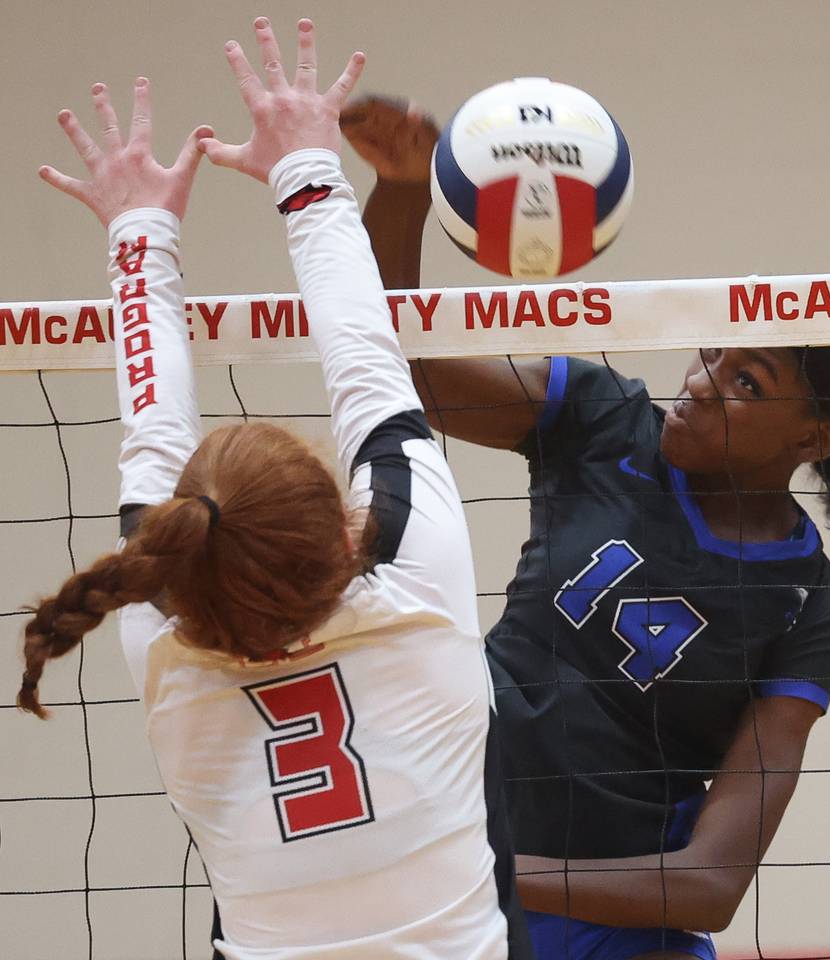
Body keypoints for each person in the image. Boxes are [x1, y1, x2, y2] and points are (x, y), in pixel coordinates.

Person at [342, 95, 830, 960]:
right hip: (453, 914)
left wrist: (494, 868)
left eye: (747, 383)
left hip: (606, 933)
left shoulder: (802, 608)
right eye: (714, 351)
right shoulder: (602, 420)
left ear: (814, 438)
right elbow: (401, 367)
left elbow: (713, 884)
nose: (704, 381)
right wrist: (405, 190)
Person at [21, 20, 523, 959]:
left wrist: (145, 234)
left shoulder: (162, 637)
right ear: (345, 528)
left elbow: (158, 432)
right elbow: (364, 363)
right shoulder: (411, 581)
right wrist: (294, 173)